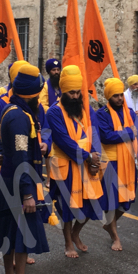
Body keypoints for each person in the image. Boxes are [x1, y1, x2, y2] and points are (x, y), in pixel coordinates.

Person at [0, 63, 54, 274]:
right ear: (33, 94)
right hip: (19, 183)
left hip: (10, 180)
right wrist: (27, 193)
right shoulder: (19, 117)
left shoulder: (14, 111)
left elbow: (13, 149)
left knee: (9, 231)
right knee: (21, 235)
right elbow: (23, 156)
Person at [46, 65, 102, 258]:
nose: (76, 96)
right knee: (68, 208)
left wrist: (94, 157)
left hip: (85, 165)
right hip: (65, 167)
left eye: (78, 92)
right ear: (62, 91)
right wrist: (88, 156)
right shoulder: (54, 112)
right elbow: (65, 141)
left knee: (92, 203)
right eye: (72, 93)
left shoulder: (83, 110)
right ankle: (68, 243)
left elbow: (90, 135)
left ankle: (76, 233)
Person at [97, 77, 138, 251]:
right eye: (116, 95)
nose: (119, 98)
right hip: (110, 163)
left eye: (121, 95)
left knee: (126, 202)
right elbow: (107, 137)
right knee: (111, 203)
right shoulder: (101, 115)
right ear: (109, 97)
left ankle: (110, 225)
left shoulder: (130, 113)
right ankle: (115, 236)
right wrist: (127, 132)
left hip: (128, 163)